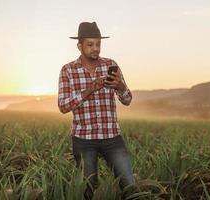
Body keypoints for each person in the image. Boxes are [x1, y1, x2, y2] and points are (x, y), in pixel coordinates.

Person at [58, 21, 134, 199]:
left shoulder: (111, 64)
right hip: (84, 140)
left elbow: (128, 100)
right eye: (90, 44)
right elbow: (62, 106)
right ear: (79, 46)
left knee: (129, 186)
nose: (96, 48)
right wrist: (89, 90)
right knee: (88, 191)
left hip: (112, 137)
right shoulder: (67, 70)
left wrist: (120, 86)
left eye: (98, 44)